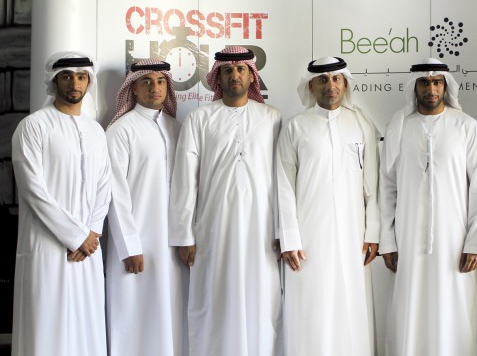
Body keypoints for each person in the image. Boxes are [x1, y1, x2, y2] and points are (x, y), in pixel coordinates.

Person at [169, 45, 282, 356]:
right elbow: (185, 179)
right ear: (217, 77)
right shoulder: (199, 118)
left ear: (252, 76)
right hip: (212, 228)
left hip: (261, 228)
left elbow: (282, 180)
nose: (235, 75)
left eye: (241, 69)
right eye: (228, 70)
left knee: (262, 299)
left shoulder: (272, 118)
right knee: (214, 298)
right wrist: (184, 235)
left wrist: (281, 230)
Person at [379, 58, 477, 356]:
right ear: (414, 87)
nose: (431, 89)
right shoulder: (399, 127)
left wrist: (476, 244)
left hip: (456, 240)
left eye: (437, 82)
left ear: (446, 85)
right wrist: (388, 241)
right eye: (425, 83)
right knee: (410, 309)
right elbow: (387, 187)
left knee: (455, 308)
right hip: (407, 237)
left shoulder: (467, 127)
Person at [277, 57, 380, 356]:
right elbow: (284, 185)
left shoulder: (361, 124)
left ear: (345, 83)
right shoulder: (295, 126)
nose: (330, 85)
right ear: (311, 86)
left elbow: (372, 185)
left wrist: (373, 232)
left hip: (354, 234)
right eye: (322, 80)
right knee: (311, 306)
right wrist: (289, 238)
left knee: (351, 306)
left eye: (336, 79)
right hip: (308, 237)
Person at [11, 52, 111, 356]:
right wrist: (75, 236)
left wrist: (92, 232)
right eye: (66, 76)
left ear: (89, 82)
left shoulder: (95, 130)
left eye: (81, 77)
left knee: (85, 325)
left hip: (88, 248)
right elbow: (32, 189)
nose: (74, 83)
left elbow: (104, 185)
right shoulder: (33, 126)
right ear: (54, 81)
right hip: (47, 244)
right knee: (46, 326)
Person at [105, 59, 188, 356]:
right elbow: (115, 193)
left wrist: (187, 237)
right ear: (133, 89)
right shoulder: (121, 130)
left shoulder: (178, 129)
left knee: (173, 313)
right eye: (147, 82)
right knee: (134, 313)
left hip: (173, 245)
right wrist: (129, 246)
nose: (155, 87)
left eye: (161, 81)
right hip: (136, 243)